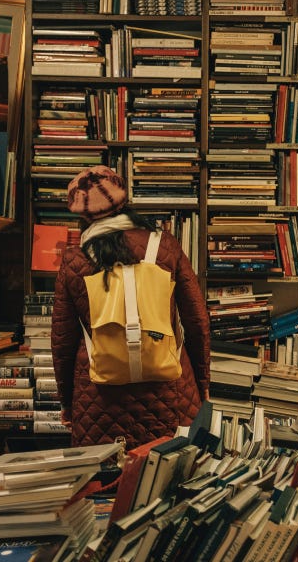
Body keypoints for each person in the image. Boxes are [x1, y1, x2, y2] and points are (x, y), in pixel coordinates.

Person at [51, 165, 210, 449]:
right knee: (175, 480)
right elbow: (197, 321)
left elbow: (62, 341)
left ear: (82, 216)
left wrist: (66, 401)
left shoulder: (74, 260)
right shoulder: (166, 247)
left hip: (98, 398)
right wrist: (201, 382)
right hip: (171, 391)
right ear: (125, 202)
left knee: (105, 484)